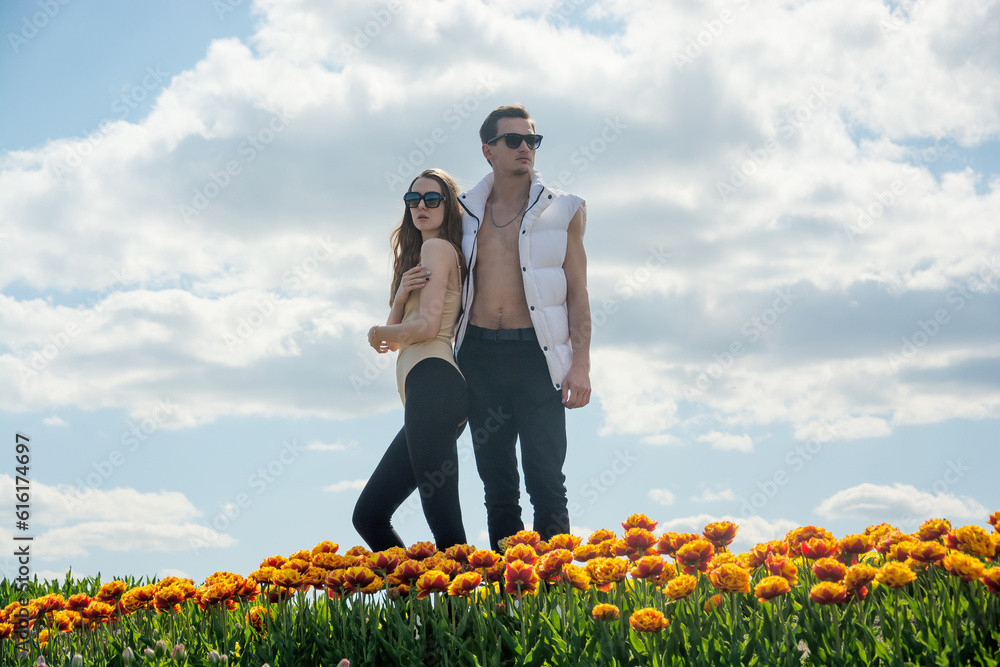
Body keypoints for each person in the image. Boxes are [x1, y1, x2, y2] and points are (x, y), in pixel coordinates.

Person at [454, 104, 591, 552]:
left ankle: (557, 602)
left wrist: (581, 366)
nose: (524, 148)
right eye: (513, 140)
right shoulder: (462, 212)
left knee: (547, 481)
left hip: (538, 358)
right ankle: (510, 602)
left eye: (531, 140)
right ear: (488, 150)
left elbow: (577, 293)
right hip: (478, 359)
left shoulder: (565, 209)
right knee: (498, 489)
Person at [353, 168, 469, 552]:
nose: (421, 206)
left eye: (432, 199)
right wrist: (401, 295)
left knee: (444, 522)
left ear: (447, 206)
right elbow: (396, 341)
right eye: (413, 199)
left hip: (435, 383)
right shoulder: (421, 257)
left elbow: (422, 328)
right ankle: (419, 609)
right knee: (369, 515)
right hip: (424, 390)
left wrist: (375, 332)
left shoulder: (437, 249)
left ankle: (466, 606)